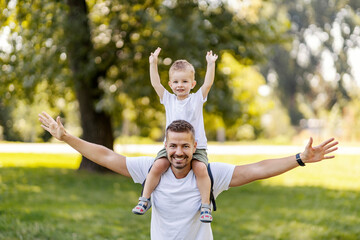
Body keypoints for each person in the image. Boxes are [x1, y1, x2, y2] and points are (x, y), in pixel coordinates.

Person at [38, 112, 338, 240]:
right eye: (172, 146)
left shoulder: (208, 173)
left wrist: (300, 158)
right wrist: (67, 137)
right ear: (164, 146)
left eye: (184, 146)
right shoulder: (150, 170)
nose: (178, 152)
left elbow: (256, 170)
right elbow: (105, 155)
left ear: (195, 146)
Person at [133, 47, 218, 222]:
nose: (180, 85)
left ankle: (205, 206)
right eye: (176, 82)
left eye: (185, 81)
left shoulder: (196, 99)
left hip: (197, 146)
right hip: (171, 146)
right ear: (171, 84)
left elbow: (208, 83)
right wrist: (153, 63)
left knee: (201, 169)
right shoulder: (168, 99)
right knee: (157, 166)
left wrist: (210, 64)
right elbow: (156, 83)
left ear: (192, 84)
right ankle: (144, 199)